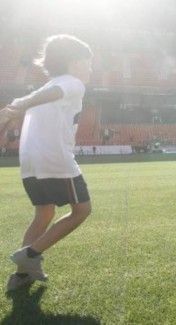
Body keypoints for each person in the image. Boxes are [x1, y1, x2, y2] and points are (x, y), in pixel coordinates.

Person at [0, 34, 93, 291]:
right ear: (75, 63)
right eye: (88, 62)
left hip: (29, 162)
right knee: (82, 210)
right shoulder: (73, 83)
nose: (91, 69)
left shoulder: (44, 88)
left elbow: (39, 101)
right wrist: (18, 106)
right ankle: (30, 255)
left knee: (44, 212)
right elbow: (58, 92)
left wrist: (14, 109)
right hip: (55, 159)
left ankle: (20, 277)